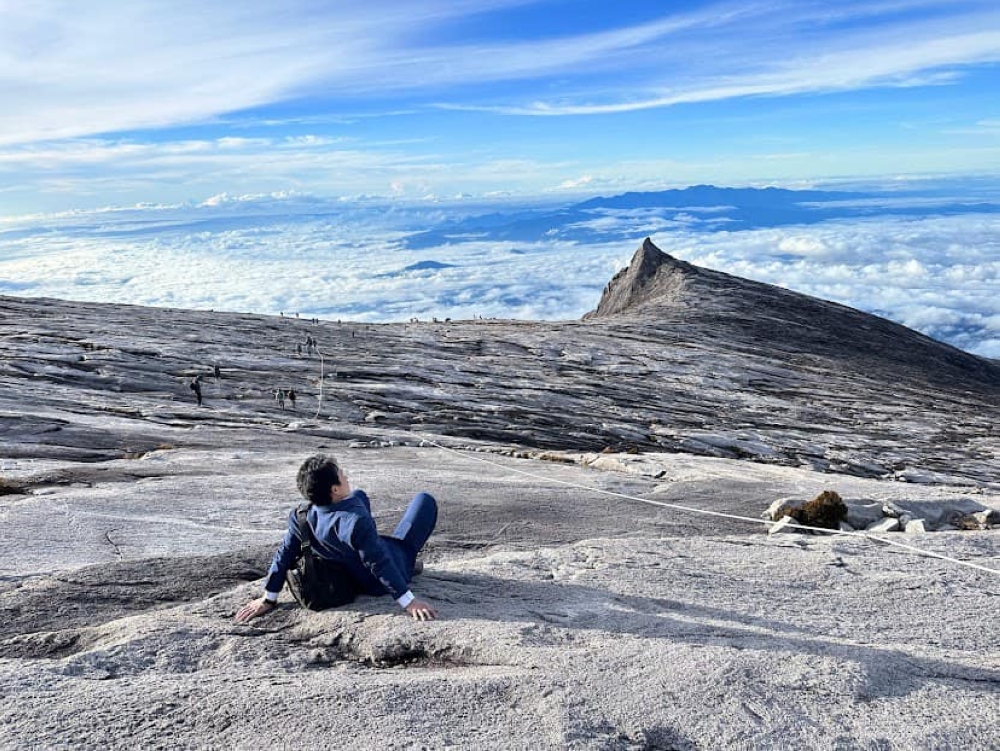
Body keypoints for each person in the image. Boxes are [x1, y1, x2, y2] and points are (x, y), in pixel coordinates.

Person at [235, 454, 438, 623]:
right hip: (379, 577)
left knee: (359, 495)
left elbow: (285, 553)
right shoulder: (354, 521)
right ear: (335, 490)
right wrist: (409, 602)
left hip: (345, 572)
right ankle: (408, 564)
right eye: (342, 474)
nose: (346, 476)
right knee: (424, 501)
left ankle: (369, 543)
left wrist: (269, 597)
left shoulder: (301, 515)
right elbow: (379, 562)